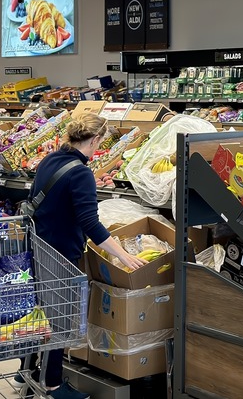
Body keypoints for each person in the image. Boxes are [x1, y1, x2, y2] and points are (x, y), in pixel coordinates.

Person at [14, 112, 148, 399]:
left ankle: (26, 369)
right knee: (60, 319)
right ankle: (51, 384)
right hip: (61, 252)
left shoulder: (51, 160)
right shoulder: (81, 172)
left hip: (37, 245)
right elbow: (89, 221)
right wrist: (123, 255)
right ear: (97, 139)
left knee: (41, 311)